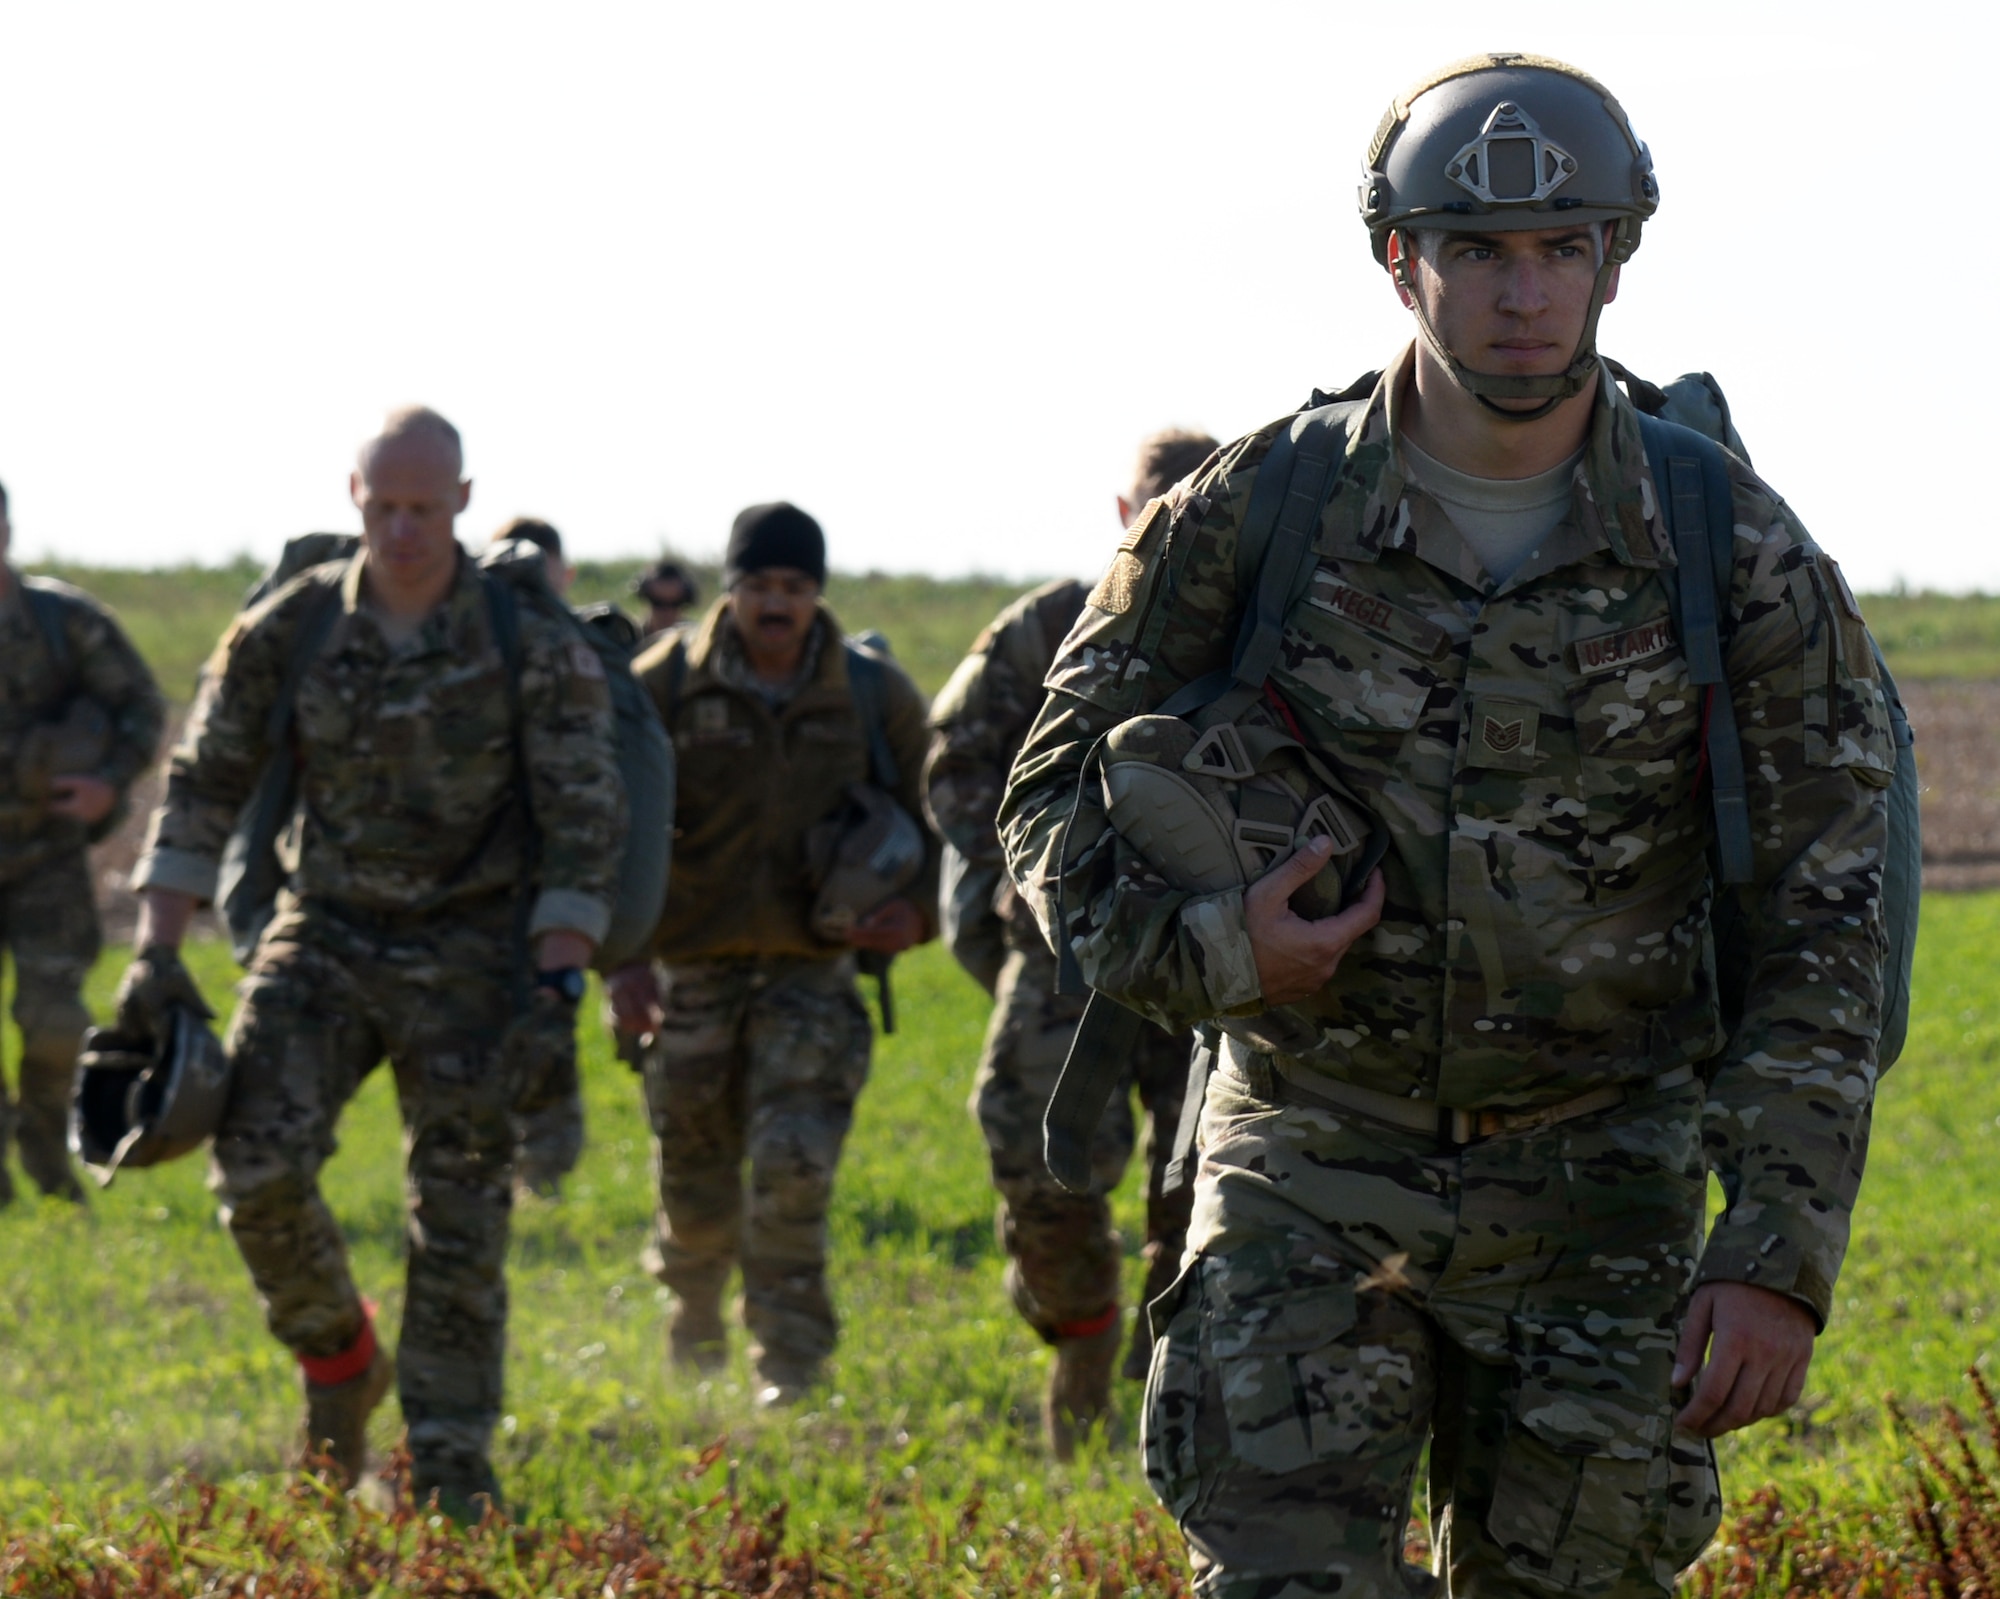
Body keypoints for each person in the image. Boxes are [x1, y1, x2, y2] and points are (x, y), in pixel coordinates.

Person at [999, 53, 1894, 1598]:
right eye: (1477, 247)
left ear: (1619, 258)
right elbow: (1050, 796)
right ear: (1397, 258)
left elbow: (1835, 911)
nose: (1524, 293)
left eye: (1565, 247)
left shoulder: (1728, 543)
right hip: (1308, 1152)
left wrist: (1774, 1256)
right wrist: (1218, 951)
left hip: (1603, 1178)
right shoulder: (1258, 506)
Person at [121, 407, 625, 1515]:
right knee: (251, 1160)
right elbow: (204, 778)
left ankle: (447, 1461)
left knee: (459, 1209)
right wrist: (155, 951)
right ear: (354, 499)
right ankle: (341, 1363)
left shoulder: (521, 634)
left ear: (458, 500)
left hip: (477, 949)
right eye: (382, 507)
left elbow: (583, 809)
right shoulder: (293, 626)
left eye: (423, 508)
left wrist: (557, 973)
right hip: (329, 933)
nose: (401, 530)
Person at [922, 429, 1216, 1458]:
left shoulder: (1259, 625)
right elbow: (955, 761)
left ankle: (1168, 1396)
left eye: (1193, 499)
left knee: (1205, 1182)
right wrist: (1022, 869)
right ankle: (1081, 1335)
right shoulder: (1047, 625)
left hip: (1213, 954)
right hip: (1065, 952)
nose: (1169, 516)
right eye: (1153, 499)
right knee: (1026, 1140)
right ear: (1120, 508)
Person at [612, 501, 937, 1406]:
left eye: (795, 587)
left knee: (794, 1169)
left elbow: (948, 820)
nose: (777, 605)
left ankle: (789, 1368)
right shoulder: (662, 686)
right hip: (690, 974)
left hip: (814, 974)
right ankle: (694, 1329)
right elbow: (607, 828)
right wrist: (621, 959)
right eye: (759, 585)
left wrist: (914, 915)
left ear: (818, 593)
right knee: (696, 1180)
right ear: (733, 588)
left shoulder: (874, 694)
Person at [0, 478, 165, 1207]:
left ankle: (44, 1140)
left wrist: (107, 780)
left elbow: (141, 704)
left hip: (44, 859)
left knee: (55, 1022)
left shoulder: (62, 621)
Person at [487, 515, 587, 1201]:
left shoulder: (573, 654)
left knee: (548, 1029)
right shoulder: (480, 639)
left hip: (553, 888)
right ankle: (491, 1173)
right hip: (480, 891)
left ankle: (543, 1179)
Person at [634, 558, 700, 637]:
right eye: (658, 602)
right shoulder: (630, 637)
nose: (666, 612)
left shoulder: (695, 639)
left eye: (675, 603)